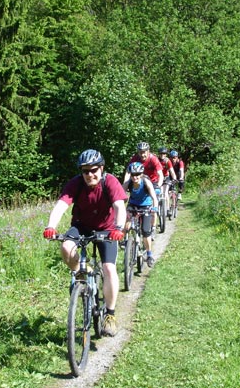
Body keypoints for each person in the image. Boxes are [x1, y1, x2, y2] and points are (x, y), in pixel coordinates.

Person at [43, 149, 127, 337]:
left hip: (107, 229)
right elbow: (61, 206)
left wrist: (118, 228)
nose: (90, 174)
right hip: (81, 226)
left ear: (101, 168)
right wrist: (51, 226)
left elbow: (119, 206)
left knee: (109, 268)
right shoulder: (76, 184)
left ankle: (110, 315)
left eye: (94, 170)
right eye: (85, 171)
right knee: (65, 246)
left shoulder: (110, 181)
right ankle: (82, 272)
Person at [122, 162, 158, 267]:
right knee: (126, 221)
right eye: (133, 174)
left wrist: (154, 208)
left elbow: (154, 197)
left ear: (141, 174)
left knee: (146, 231)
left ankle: (149, 254)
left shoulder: (146, 182)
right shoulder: (128, 182)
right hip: (133, 204)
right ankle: (125, 241)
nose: (135, 177)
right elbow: (120, 195)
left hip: (146, 206)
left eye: (137, 174)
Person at [122, 142, 164, 231]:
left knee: (153, 201)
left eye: (144, 152)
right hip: (138, 180)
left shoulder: (153, 159)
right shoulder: (135, 158)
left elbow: (160, 174)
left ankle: (152, 226)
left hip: (153, 181)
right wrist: (126, 183)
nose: (142, 154)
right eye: (140, 152)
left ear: (148, 151)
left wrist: (159, 186)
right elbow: (128, 173)